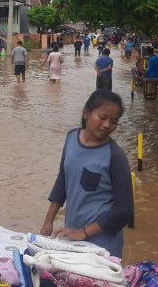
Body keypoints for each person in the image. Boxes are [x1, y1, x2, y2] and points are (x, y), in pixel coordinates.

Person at [40, 89, 133, 259]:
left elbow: (124, 210)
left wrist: (84, 232)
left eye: (114, 121)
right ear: (86, 113)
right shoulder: (71, 138)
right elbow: (63, 178)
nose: (107, 125)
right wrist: (49, 220)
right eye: (102, 117)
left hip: (103, 245)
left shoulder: (115, 157)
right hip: (72, 236)